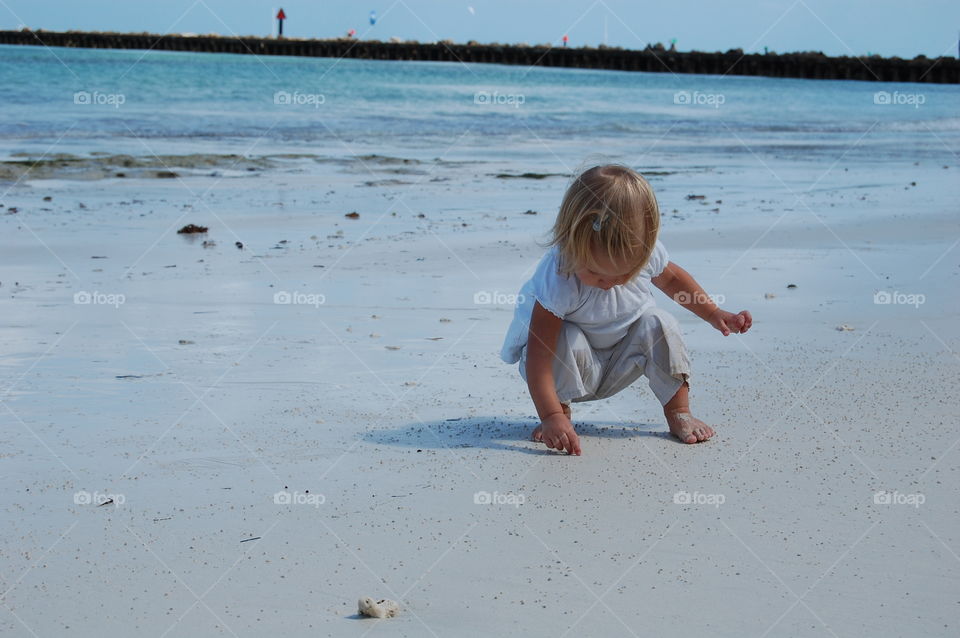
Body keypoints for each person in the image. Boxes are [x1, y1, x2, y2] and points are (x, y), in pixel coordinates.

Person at [500, 164, 752, 455]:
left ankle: (678, 411)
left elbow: (671, 280)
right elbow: (539, 358)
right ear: (572, 243)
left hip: (623, 361)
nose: (610, 284)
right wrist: (550, 415)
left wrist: (713, 314)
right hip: (570, 372)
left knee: (659, 321)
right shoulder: (559, 276)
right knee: (563, 335)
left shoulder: (641, 252)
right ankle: (562, 419)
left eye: (625, 275)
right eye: (597, 274)